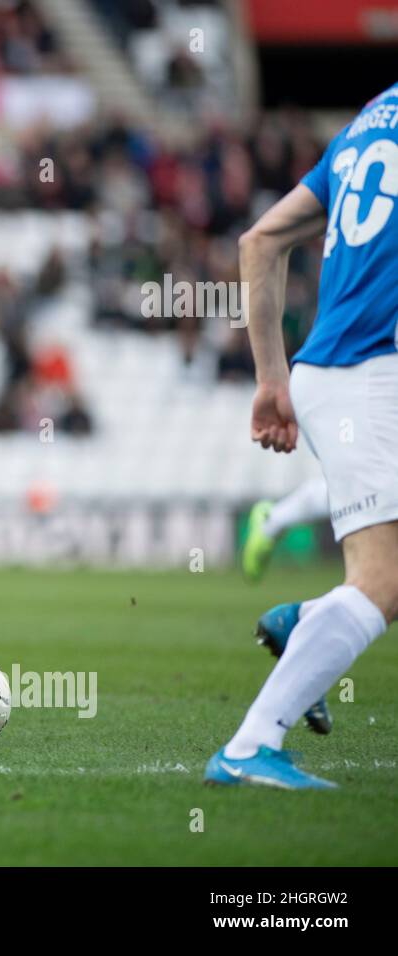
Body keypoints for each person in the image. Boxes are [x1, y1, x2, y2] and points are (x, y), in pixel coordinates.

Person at [205, 83, 398, 789]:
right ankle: (251, 746)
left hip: (332, 366)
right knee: (382, 578)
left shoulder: (366, 123)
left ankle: (306, 622)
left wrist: (271, 378)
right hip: (374, 368)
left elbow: (260, 239)